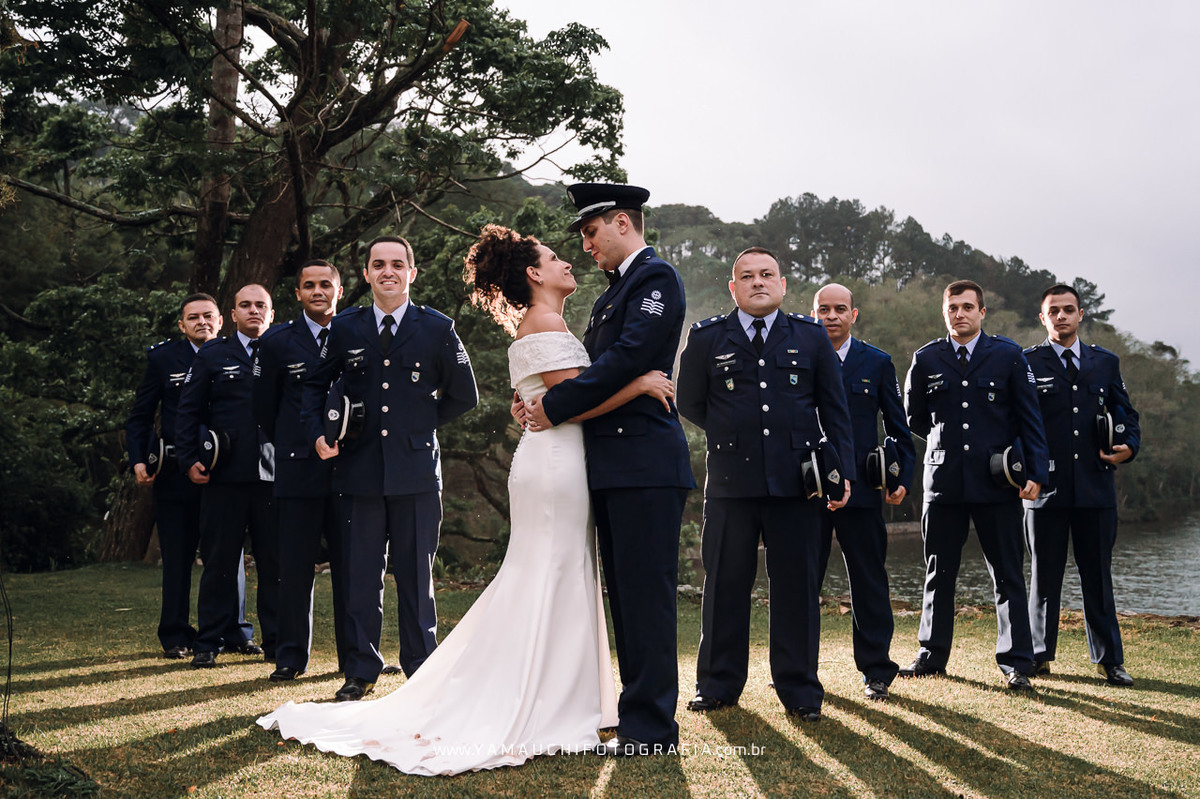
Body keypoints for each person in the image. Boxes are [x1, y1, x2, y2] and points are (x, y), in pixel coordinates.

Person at [259, 225, 677, 774]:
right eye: (554, 256)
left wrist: (539, 402)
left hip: (552, 461)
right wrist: (641, 384)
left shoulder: (544, 320)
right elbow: (577, 400)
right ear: (533, 273)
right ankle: (545, 700)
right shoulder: (547, 321)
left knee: (552, 572)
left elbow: (556, 394)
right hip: (555, 466)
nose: (567, 261)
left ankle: (564, 695)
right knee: (550, 571)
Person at [523, 183, 695, 755]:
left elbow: (629, 357)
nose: (586, 246)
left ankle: (653, 729)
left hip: (646, 462)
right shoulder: (608, 297)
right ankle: (637, 715)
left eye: (591, 232)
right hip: (612, 466)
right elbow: (599, 370)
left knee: (646, 597)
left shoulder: (656, 279)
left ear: (622, 222)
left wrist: (555, 406)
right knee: (625, 598)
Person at [676, 248, 854, 722]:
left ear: (782, 284)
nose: (758, 282)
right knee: (724, 587)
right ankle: (717, 685)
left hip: (797, 485)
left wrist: (843, 473)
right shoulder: (708, 336)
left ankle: (799, 691)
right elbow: (690, 401)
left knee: (796, 590)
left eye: (767, 275)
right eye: (747, 276)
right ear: (732, 288)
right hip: (731, 482)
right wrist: (732, 432)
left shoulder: (811, 337)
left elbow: (834, 410)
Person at [298, 236, 478, 702]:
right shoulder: (345, 327)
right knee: (360, 576)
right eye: (378, 265)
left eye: (398, 264)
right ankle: (359, 672)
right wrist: (319, 434)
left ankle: (422, 670)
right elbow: (313, 387)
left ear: (412, 273)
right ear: (366, 274)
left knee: (416, 575)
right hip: (357, 473)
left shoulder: (437, 328)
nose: (388, 272)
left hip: (416, 472)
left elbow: (464, 396)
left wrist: (417, 425)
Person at [901, 279, 1049, 689]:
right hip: (943, 482)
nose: (960, 313)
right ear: (944, 312)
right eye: (953, 307)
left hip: (997, 484)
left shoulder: (1008, 356)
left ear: (982, 312)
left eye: (968, 307)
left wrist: (1035, 472)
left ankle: (1017, 662)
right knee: (938, 572)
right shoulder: (926, 359)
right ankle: (932, 654)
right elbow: (914, 418)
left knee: (1007, 574)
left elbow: (1030, 420)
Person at [1023, 284, 1140, 686]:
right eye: (1053, 310)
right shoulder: (1026, 363)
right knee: (1044, 577)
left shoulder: (1105, 363)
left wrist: (1129, 447)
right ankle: (1038, 656)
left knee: (1098, 577)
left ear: (1080, 314)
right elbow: (1014, 424)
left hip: (1095, 488)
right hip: (1045, 489)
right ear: (1043, 318)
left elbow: (1126, 414)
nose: (1061, 317)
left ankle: (1110, 661)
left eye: (1068, 310)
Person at [126, 293, 252, 658]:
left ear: (221, 320)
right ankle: (177, 634)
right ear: (182, 325)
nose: (202, 322)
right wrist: (138, 459)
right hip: (177, 473)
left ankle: (235, 631)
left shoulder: (240, 354)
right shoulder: (163, 359)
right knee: (179, 557)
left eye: (208, 316)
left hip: (226, 472)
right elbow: (140, 416)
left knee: (228, 555)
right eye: (193, 317)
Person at [811, 283, 915, 701]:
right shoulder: (796, 357)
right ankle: (797, 669)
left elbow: (898, 426)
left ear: (855, 314)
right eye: (823, 309)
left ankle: (876, 671)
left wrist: (902, 477)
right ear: (813, 313)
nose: (831, 316)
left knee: (869, 581)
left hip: (864, 492)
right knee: (801, 583)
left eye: (840, 309)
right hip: (809, 490)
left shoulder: (877, 362)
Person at [252, 260, 351, 681]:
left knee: (355, 568)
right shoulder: (276, 342)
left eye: (325, 284)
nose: (317, 291)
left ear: (339, 290)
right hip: (297, 470)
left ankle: (358, 657)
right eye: (308, 285)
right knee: (293, 569)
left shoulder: (355, 333)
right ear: (297, 294)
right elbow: (263, 409)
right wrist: (296, 443)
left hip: (350, 470)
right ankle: (291, 657)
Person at [176, 283, 281, 668]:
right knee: (219, 561)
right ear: (232, 315)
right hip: (225, 476)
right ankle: (208, 642)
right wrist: (188, 458)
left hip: (275, 475)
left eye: (261, 306)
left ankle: (276, 641)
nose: (253, 311)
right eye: (245, 306)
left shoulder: (283, 349)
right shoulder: (213, 354)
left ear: (272, 313)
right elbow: (188, 411)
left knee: (275, 563)